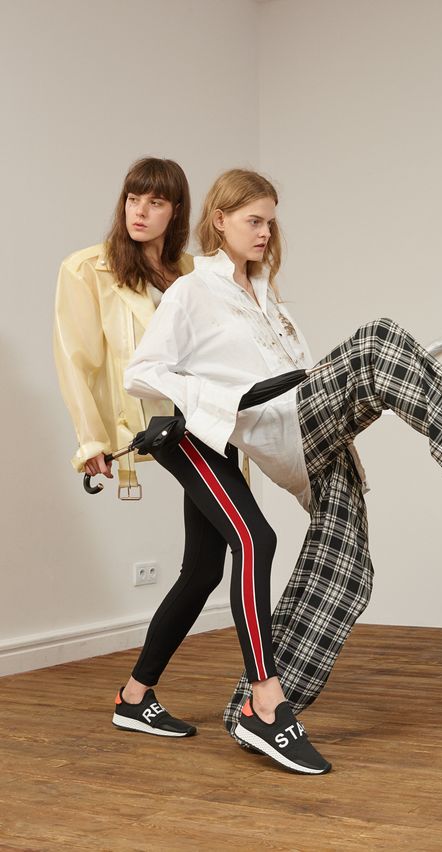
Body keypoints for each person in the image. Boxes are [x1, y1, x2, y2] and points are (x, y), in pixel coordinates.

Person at [124, 168, 442, 771]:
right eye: (253, 220)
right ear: (220, 221)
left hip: (314, 433)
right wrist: (229, 401)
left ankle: (253, 709)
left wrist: (363, 406)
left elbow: (313, 379)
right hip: (279, 428)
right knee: (379, 339)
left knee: (346, 570)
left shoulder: (271, 300)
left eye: (270, 221)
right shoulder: (193, 292)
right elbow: (143, 371)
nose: (265, 232)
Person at [54, 157, 206, 739]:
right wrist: (90, 438)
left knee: (205, 567)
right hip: (157, 429)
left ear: (176, 212)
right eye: (133, 199)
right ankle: (264, 699)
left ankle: (135, 696)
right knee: (252, 543)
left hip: (207, 426)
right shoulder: (86, 269)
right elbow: (77, 359)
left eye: (156, 202)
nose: (140, 212)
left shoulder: (190, 272)